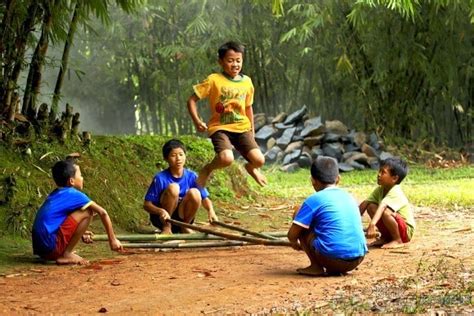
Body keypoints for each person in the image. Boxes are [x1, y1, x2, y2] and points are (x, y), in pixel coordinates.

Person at [187, 41, 267, 187]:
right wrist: (197, 121)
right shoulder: (213, 80)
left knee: (259, 160)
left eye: (238, 60)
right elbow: (191, 100)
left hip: (242, 128)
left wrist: (252, 131)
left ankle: (250, 168)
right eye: (230, 61)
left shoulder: (247, 82)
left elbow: (248, 107)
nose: (235, 64)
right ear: (220, 61)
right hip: (220, 127)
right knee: (226, 158)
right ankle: (207, 169)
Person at [32, 159, 123, 265]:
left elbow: (60, 220)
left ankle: (64, 252)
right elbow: (103, 212)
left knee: (82, 210)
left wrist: (81, 232)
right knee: (88, 211)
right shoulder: (74, 194)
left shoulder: (56, 194)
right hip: (51, 247)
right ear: (71, 181)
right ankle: (66, 254)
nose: (82, 178)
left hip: (41, 248)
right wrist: (113, 240)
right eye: (80, 175)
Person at [287, 156, 367, 276]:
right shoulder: (350, 197)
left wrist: (295, 243)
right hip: (358, 258)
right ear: (338, 179)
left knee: (299, 214)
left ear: (312, 180)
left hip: (332, 259)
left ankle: (316, 266)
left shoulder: (314, 200)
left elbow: (292, 235)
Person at [143, 139, 217, 234]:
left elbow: (205, 198)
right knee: (174, 188)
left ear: (185, 156)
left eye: (181, 154)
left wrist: (211, 211)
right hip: (162, 218)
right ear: (166, 158)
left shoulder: (192, 176)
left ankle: (185, 226)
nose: (178, 159)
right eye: (173, 155)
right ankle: (167, 227)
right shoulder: (160, 178)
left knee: (195, 192)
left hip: (182, 218)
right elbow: (147, 205)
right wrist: (160, 211)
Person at [359, 157, 415, 249]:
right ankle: (386, 238)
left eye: (383, 172)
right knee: (371, 206)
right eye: (379, 171)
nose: (379, 175)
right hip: (395, 226)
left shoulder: (395, 191)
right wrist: (352, 222)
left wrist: (372, 225)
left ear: (394, 178)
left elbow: (382, 207)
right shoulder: (380, 190)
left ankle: (398, 240)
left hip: (405, 232)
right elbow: (365, 203)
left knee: (386, 211)